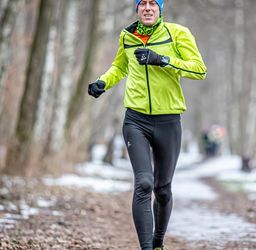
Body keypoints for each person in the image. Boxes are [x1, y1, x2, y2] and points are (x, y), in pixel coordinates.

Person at [88, 0, 207, 249]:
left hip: (169, 121)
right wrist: (103, 82)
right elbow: (120, 66)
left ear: (161, 8)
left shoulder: (178, 33)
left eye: (154, 3)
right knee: (144, 183)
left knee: (162, 190)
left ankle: (158, 241)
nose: (148, 8)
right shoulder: (128, 36)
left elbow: (199, 70)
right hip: (136, 120)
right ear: (137, 9)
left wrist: (161, 59)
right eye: (143, 3)